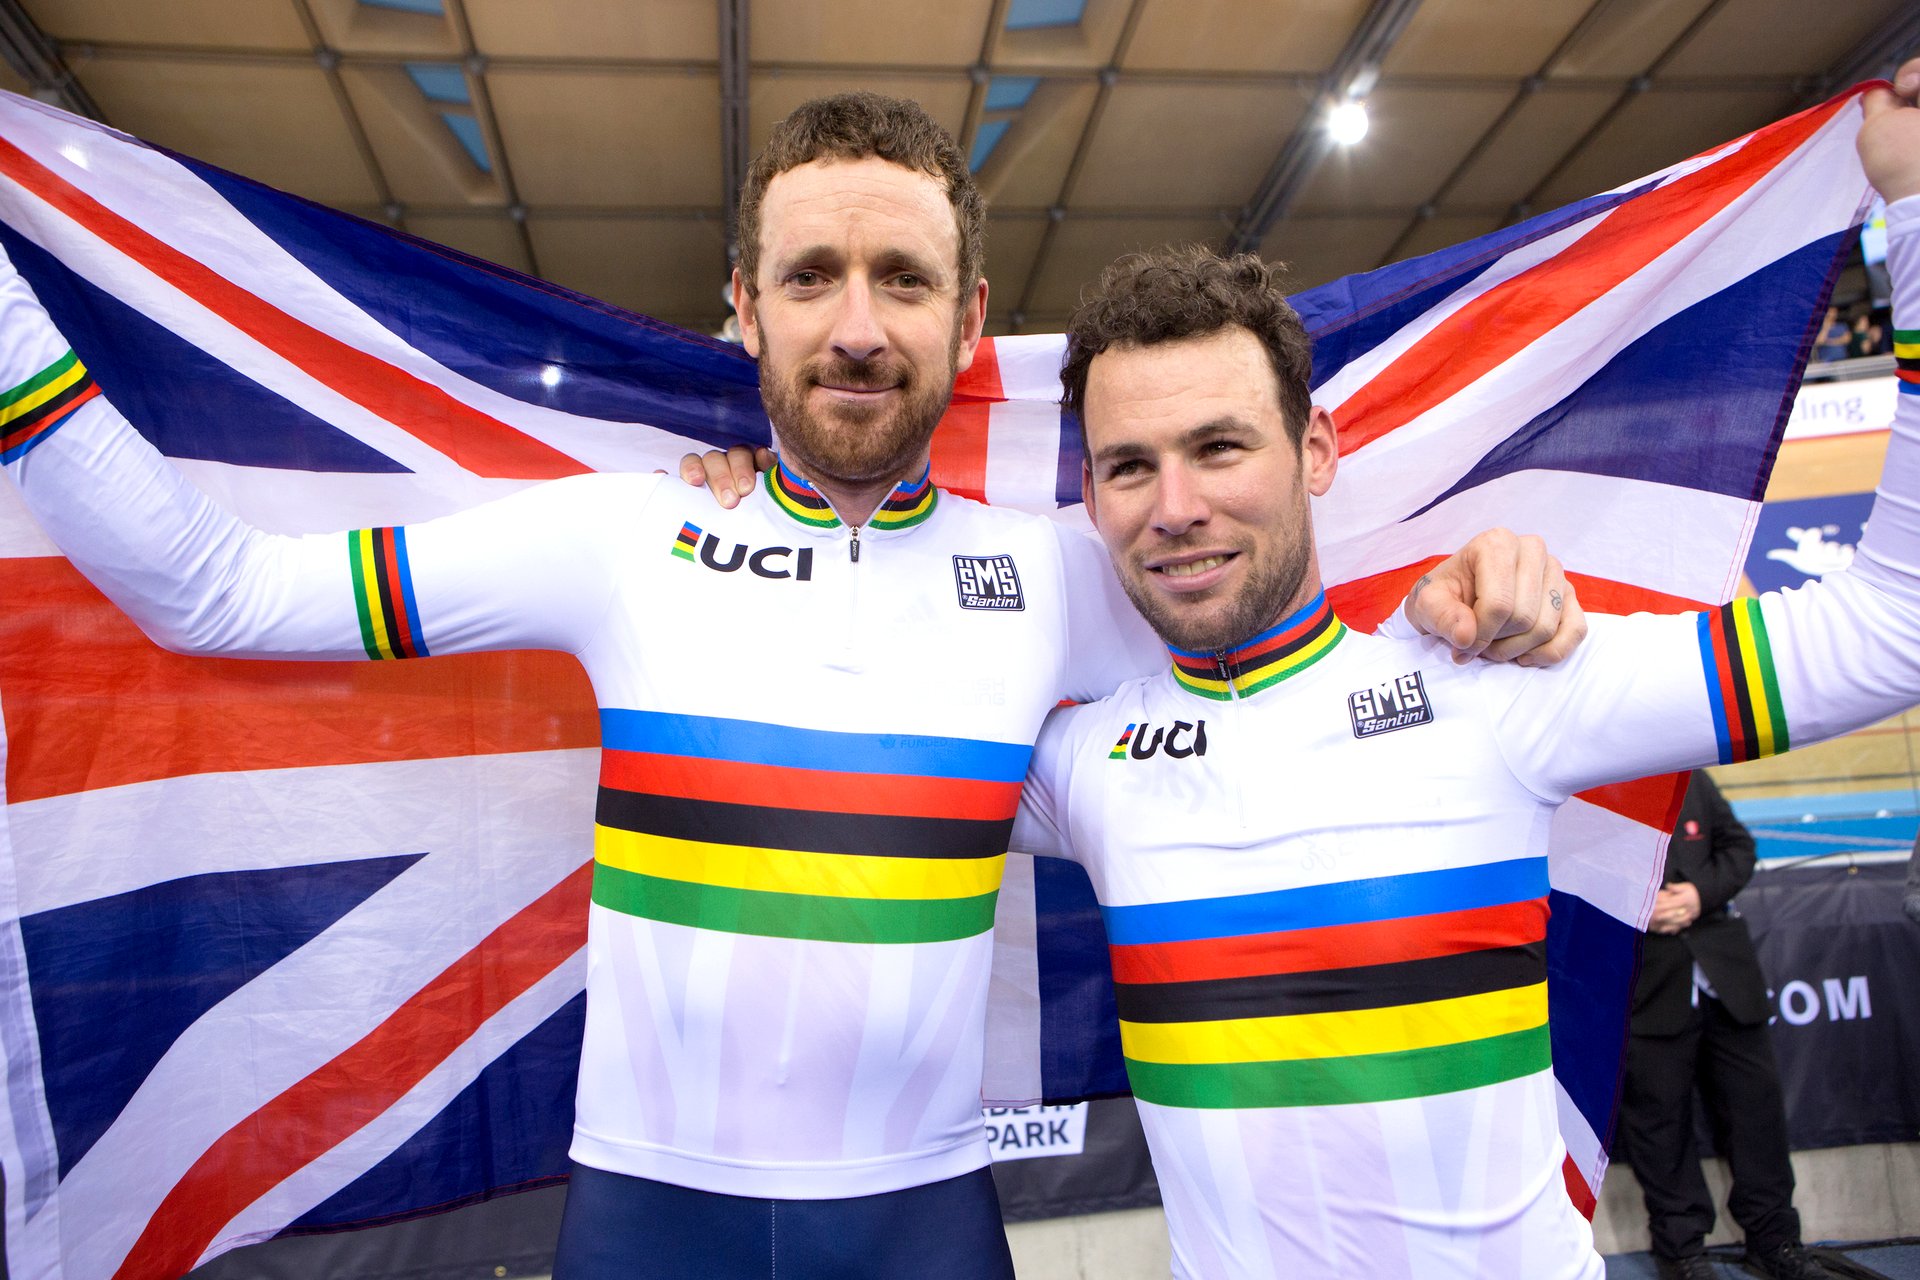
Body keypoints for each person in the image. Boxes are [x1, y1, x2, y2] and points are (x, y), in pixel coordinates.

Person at [0, 94, 1578, 1277]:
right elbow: (216, 588)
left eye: (903, 280)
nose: (858, 327)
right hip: (646, 1216)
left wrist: (1454, 604)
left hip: (924, 1222)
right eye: (812, 277)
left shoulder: (1059, 576)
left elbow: (1265, 662)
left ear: (968, 320)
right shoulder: (625, 539)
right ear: (745, 308)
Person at [1010, 63, 1920, 1280]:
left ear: (1316, 449)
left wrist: (1916, 219)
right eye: (1129, 465)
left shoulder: (1498, 682)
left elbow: (1892, 627)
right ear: (1090, 492)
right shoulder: (1083, 762)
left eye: (1219, 446)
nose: (1174, 505)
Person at [1616, 772, 1821, 1280]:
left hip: (1727, 981)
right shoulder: (1590, 790)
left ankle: (1775, 1242)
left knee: (1758, 1118)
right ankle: (1682, 1251)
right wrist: (1636, 908)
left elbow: (1739, 847)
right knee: (1661, 1128)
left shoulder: (1692, 778)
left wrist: (1698, 894)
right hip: (1646, 985)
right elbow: (1567, 880)